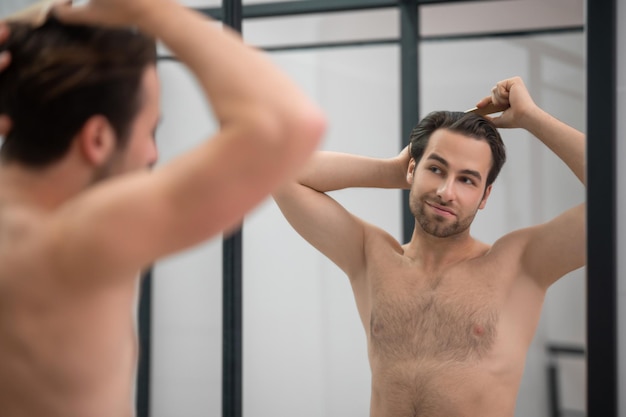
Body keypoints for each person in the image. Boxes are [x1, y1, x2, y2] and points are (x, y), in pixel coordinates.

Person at [0, 0, 325, 415]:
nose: (153, 153)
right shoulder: (72, 243)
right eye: (149, 130)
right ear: (97, 138)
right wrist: (152, 11)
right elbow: (285, 125)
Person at [273, 76, 585, 417]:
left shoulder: (520, 264)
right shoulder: (371, 255)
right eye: (436, 169)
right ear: (413, 169)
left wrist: (530, 117)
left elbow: (614, 191)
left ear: (485, 196)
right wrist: (393, 172)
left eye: (467, 179)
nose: (446, 191)